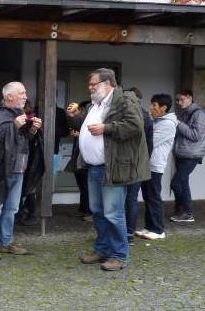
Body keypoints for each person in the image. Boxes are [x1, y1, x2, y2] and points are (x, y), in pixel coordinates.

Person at [69, 68, 149, 271]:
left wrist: (106, 128)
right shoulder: (96, 104)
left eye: (93, 84)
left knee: (113, 213)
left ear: (107, 83)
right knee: (97, 212)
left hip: (112, 168)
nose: (90, 88)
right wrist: (77, 118)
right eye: (89, 84)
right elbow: (90, 128)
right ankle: (103, 250)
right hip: (94, 167)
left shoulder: (124, 101)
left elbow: (135, 126)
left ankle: (119, 255)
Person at [0, 82, 41, 260]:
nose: (25, 96)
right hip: (0, 169)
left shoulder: (20, 114)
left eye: (25, 93)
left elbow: (22, 141)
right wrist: (14, 125)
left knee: (12, 208)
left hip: (19, 170)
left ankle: (6, 242)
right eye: (21, 93)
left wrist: (32, 130)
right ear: (9, 97)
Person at [134, 94, 177, 240]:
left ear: (163, 108)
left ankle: (158, 230)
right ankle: (149, 227)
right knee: (148, 196)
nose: (151, 108)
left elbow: (149, 141)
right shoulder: (157, 121)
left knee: (153, 197)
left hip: (155, 165)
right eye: (151, 105)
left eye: (154, 105)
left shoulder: (168, 124)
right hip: (148, 164)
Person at [170, 89, 205, 223]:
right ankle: (181, 210)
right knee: (183, 183)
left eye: (182, 99)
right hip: (183, 153)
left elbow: (195, 135)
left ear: (190, 98)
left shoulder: (199, 115)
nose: (179, 102)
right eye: (178, 100)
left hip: (191, 155)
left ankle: (186, 212)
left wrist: (178, 123)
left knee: (176, 183)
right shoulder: (186, 113)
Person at [123, 87, 154, 244]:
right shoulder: (146, 116)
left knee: (125, 199)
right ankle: (129, 233)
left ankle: (125, 233)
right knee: (131, 199)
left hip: (126, 163)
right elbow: (150, 144)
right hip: (140, 162)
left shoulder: (127, 115)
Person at [64, 100, 92, 221]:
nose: (79, 112)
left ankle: (89, 211)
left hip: (86, 158)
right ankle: (83, 209)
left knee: (86, 186)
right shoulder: (83, 118)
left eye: (80, 110)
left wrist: (80, 135)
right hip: (78, 156)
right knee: (82, 185)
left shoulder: (90, 118)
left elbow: (91, 135)